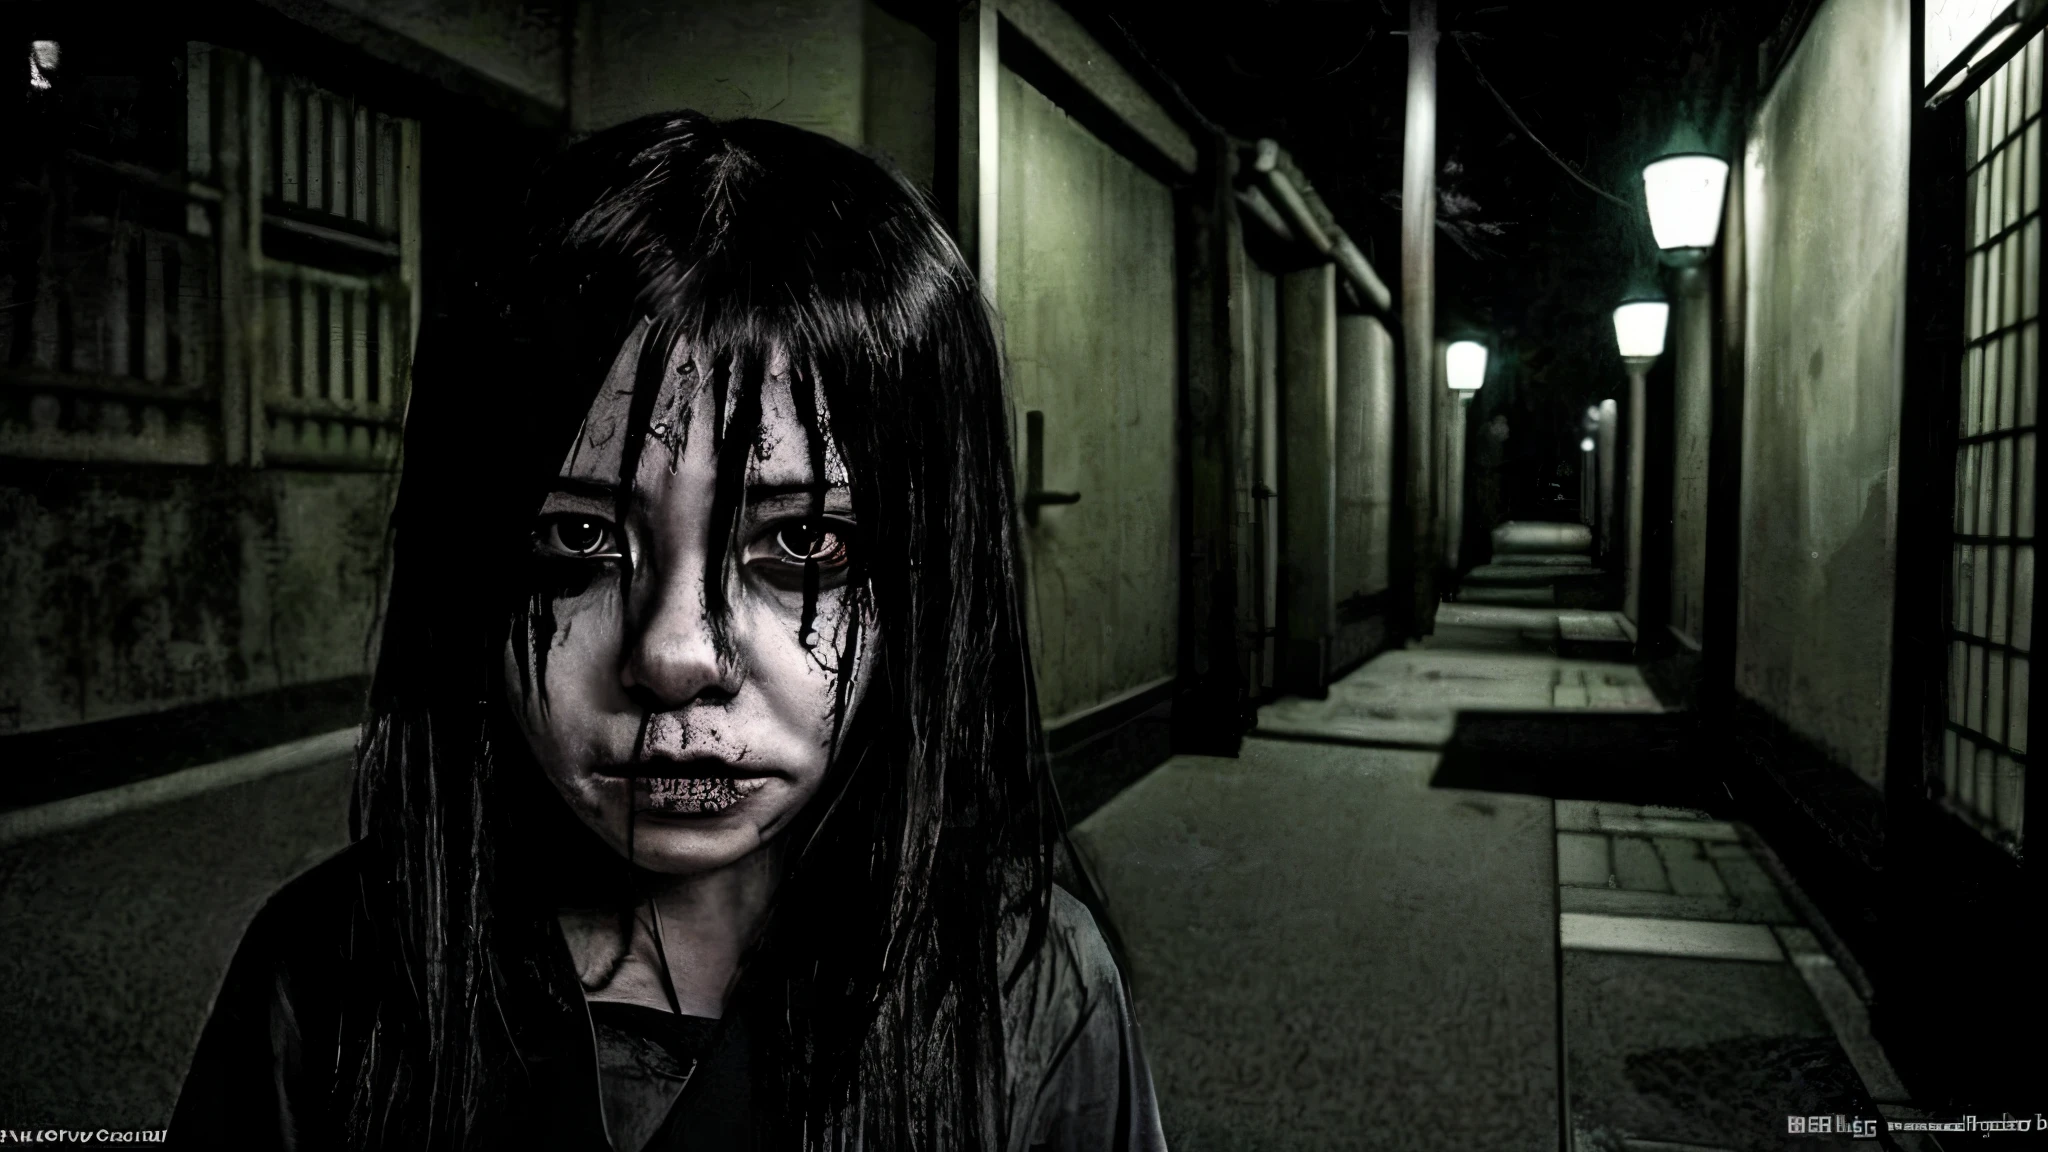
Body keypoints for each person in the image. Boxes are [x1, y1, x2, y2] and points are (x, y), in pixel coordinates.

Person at [169, 111, 1166, 1152]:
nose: (675, 656)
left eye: (804, 542)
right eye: (578, 535)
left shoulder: (1028, 990)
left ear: (928, 580)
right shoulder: (326, 971)